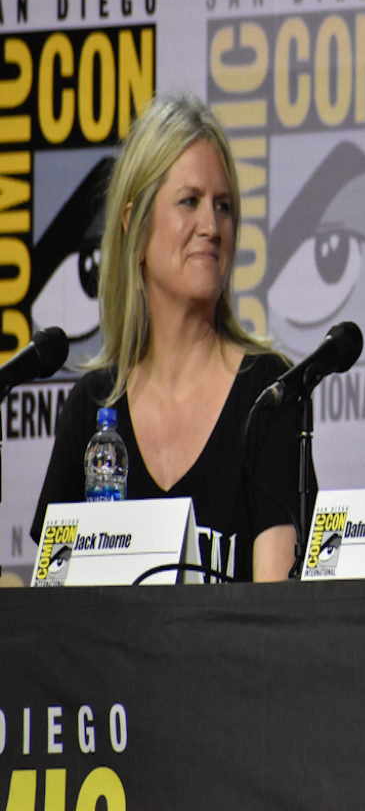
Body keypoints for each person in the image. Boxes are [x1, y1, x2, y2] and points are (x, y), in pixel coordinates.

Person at [31, 93, 304, 582]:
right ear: (134, 225)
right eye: (189, 201)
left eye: (224, 206)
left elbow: (276, 613)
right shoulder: (91, 407)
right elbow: (55, 605)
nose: (212, 226)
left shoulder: (269, 393)